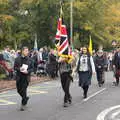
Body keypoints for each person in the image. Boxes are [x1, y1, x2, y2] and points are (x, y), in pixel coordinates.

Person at [14, 46, 34, 111]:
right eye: (26, 51)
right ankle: (25, 98)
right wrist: (19, 69)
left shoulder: (30, 59)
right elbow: (15, 67)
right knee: (19, 90)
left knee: (24, 90)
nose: (27, 52)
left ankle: (23, 105)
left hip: (26, 77)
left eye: (27, 51)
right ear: (22, 51)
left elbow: (32, 68)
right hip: (19, 77)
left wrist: (27, 71)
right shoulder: (17, 59)